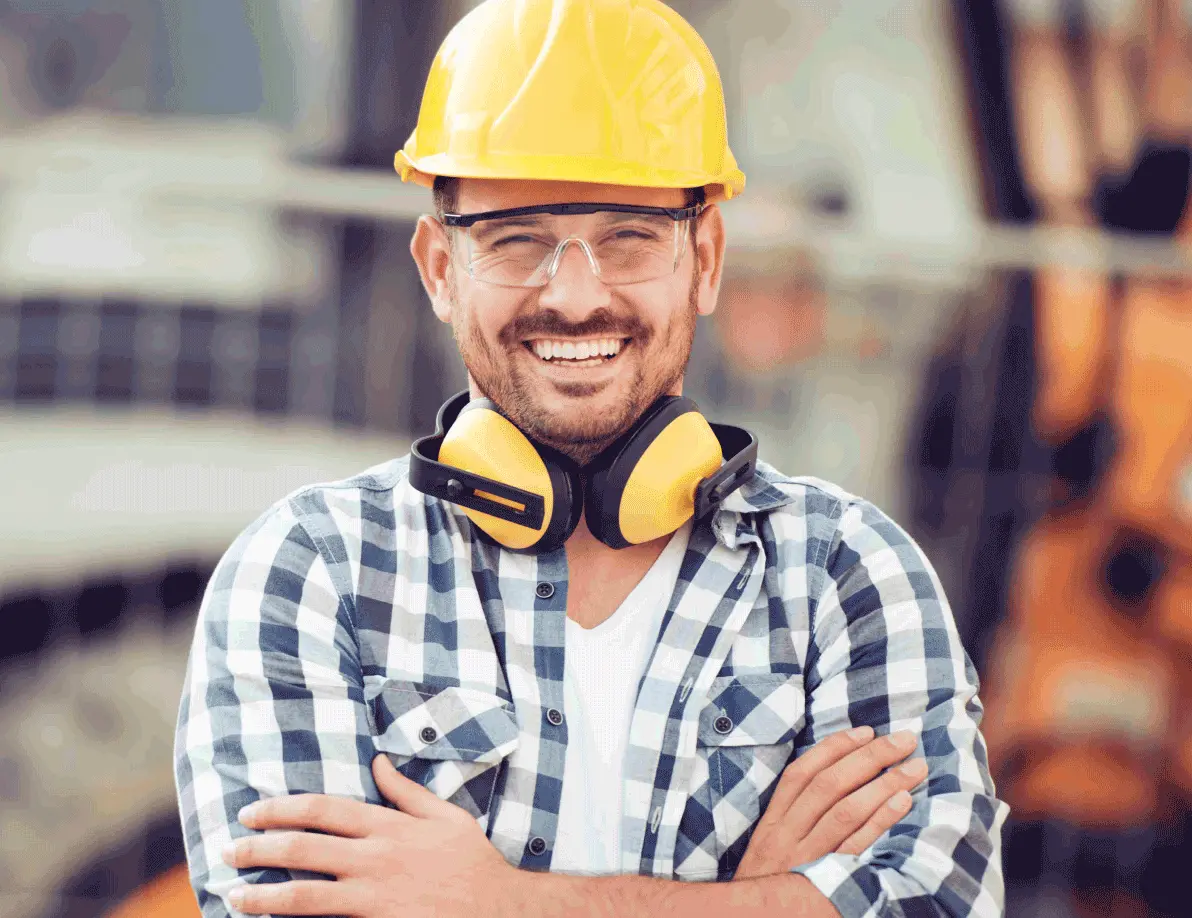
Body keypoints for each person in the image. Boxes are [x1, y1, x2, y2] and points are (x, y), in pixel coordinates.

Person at [174, 1, 1008, 916]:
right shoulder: (310, 573)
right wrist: (763, 897)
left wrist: (494, 901)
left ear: (707, 257)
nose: (574, 296)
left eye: (629, 238)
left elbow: (938, 903)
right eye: (517, 241)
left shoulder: (850, 577)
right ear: (440, 270)